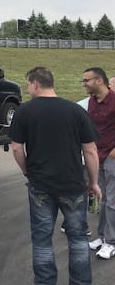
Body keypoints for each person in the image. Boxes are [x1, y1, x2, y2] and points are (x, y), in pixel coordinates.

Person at [9, 66, 100, 284]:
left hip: (40, 185)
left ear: (36, 84)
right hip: (73, 184)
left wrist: (26, 171)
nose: (28, 89)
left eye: (28, 84)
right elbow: (90, 150)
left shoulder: (25, 111)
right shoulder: (76, 110)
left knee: (42, 239)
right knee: (78, 238)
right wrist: (94, 182)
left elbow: (16, 148)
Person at [82, 67, 115, 259]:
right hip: (98, 156)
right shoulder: (92, 102)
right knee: (102, 199)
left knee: (112, 201)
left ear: (99, 81)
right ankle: (103, 237)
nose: (84, 83)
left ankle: (111, 242)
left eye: (87, 80)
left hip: (112, 157)